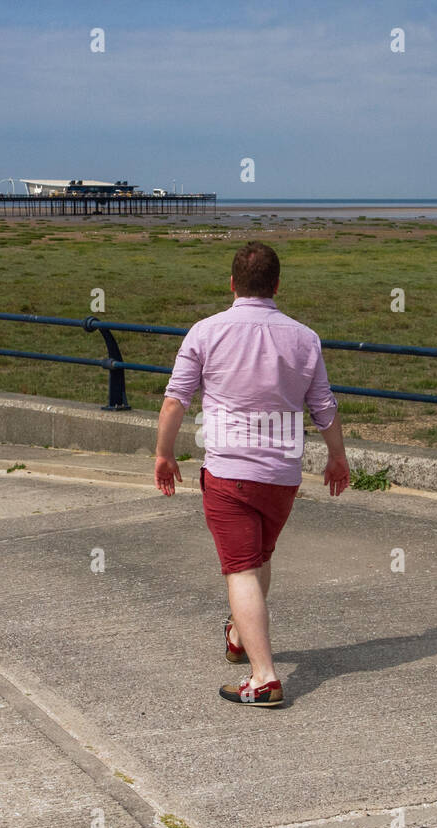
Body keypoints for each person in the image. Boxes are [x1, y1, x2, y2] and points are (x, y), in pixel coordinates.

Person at [156, 241, 350, 706]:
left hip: (228, 471)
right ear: (277, 285)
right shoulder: (304, 338)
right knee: (258, 561)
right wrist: (337, 457)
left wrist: (163, 454)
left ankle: (264, 678)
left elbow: (175, 399)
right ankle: (240, 637)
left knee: (240, 570)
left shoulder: (205, 332)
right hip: (283, 475)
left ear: (232, 284)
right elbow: (323, 405)